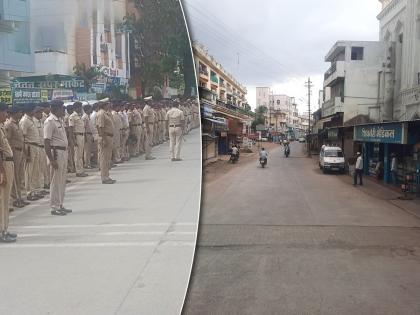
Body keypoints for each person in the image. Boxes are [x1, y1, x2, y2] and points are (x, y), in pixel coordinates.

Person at [44, 100, 71, 216]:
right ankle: (54, 207)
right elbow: (46, 142)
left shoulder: (59, 120)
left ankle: (60, 204)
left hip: (63, 152)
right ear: (55, 109)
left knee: (62, 180)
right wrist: (51, 159)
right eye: (61, 108)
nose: (63, 110)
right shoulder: (49, 121)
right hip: (56, 153)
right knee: (55, 181)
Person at [0, 102, 17, 242]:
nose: (6, 115)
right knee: (2, 199)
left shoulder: (1, 128)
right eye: (4, 112)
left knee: (5, 200)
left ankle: (4, 228)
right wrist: (2, 173)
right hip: (3, 165)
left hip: (8, 163)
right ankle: (1, 231)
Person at [20, 103, 43, 201]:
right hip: (29, 147)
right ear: (29, 110)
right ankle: (29, 192)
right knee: (29, 170)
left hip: (35, 146)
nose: (35, 111)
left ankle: (34, 190)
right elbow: (23, 138)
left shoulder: (31, 119)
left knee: (35, 170)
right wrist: (26, 153)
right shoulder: (24, 121)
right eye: (33, 110)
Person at [96, 101, 116, 184]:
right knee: (104, 159)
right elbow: (100, 128)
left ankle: (107, 176)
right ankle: (104, 177)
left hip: (109, 136)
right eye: (108, 104)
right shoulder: (101, 114)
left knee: (107, 158)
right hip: (105, 137)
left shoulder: (106, 113)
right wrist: (104, 139)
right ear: (104, 105)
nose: (110, 105)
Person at [69, 102, 88, 177]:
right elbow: (71, 129)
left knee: (80, 154)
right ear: (76, 107)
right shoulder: (72, 116)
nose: (81, 109)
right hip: (77, 136)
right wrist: (73, 140)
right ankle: (78, 171)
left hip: (81, 135)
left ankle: (81, 169)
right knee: (77, 155)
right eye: (80, 107)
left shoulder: (79, 116)